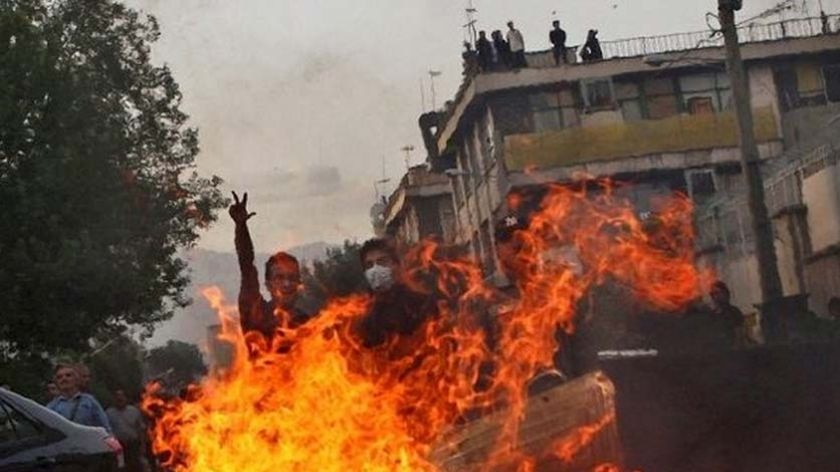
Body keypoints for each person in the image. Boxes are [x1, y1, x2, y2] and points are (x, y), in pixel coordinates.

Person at [228, 191, 316, 344]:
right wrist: (241, 228)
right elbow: (247, 267)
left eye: (292, 278)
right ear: (268, 285)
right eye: (279, 278)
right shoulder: (257, 314)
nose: (286, 284)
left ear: (299, 284)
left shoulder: (306, 322)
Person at [355, 238, 438, 356]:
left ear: (396, 265)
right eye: (369, 265)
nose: (375, 269)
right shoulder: (362, 314)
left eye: (382, 262)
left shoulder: (420, 303)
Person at [47, 364, 112, 432]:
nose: (64, 379)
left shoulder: (89, 401)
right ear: (57, 382)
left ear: (76, 379)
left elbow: (105, 427)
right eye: (59, 377)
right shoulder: (51, 407)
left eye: (68, 375)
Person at [106, 389, 147, 472]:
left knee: (134, 467)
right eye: (117, 396)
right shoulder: (109, 413)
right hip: (117, 446)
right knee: (119, 467)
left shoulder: (134, 411)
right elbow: (106, 431)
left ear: (126, 398)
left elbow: (141, 429)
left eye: (122, 396)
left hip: (132, 445)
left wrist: (143, 445)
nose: (119, 398)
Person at [709, 281, 745, 348]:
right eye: (712, 294)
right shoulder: (711, 315)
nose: (715, 297)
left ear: (725, 293)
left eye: (717, 293)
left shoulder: (734, 312)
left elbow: (739, 334)